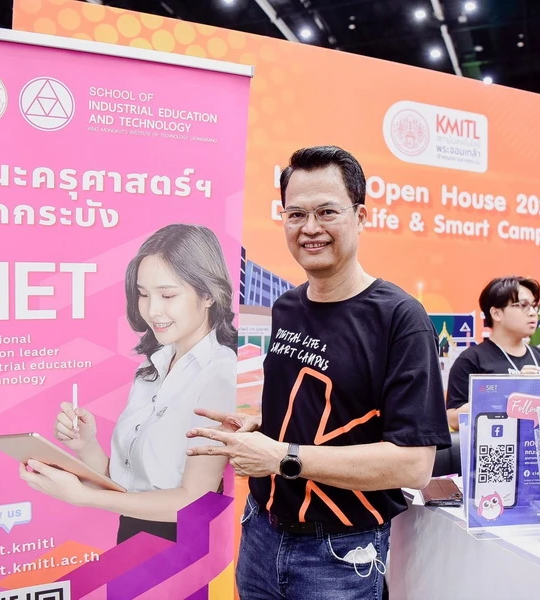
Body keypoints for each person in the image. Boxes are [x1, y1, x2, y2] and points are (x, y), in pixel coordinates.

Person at [187, 146, 450, 600]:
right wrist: (261, 428)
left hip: (340, 553)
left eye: (327, 212)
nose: (310, 228)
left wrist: (281, 457)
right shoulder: (287, 306)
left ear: (360, 216)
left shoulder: (400, 318)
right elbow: (323, 408)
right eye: (295, 214)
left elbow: (413, 464)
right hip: (261, 532)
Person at [19, 224, 238, 543]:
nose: (152, 310)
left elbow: (194, 500)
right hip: (135, 533)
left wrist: (84, 497)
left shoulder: (221, 374)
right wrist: (87, 446)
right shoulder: (151, 370)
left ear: (208, 294)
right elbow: (128, 487)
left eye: (168, 295)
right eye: (143, 294)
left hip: (186, 546)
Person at [445, 276, 540, 430]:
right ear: (496, 314)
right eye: (523, 305)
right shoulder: (471, 360)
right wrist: (511, 389)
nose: (533, 313)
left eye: (534, 306)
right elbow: (453, 420)